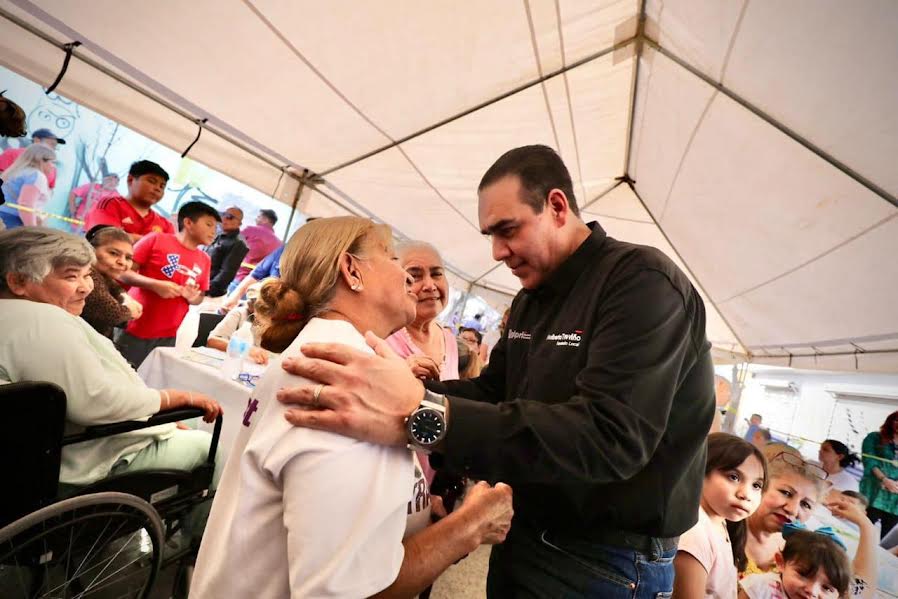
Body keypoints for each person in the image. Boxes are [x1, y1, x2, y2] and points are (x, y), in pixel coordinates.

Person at [275, 144, 716, 596]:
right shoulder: (532, 298)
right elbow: (494, 391)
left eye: (508, 230)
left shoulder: (642, 283)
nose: (497, 252)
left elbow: (611, 436)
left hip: (607, 560)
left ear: (557, 207)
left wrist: (423, 413)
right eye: (489, 234)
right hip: (523, 529)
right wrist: (395, 388)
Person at [190, 217, 514, 598]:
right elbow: (346, 592)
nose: (408, 278)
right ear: (352, 270)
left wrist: (420, 510)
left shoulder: (329, 354)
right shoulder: (345, 379)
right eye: (393, 258)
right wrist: (470, 525)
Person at [0, 227, 222, 491]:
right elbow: (95, 399)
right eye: (71, 277)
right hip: (82, 460)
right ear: (18, 282)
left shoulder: (19, 313)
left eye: (87, 275)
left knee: (191, 421)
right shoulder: (42, 319)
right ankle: (198, 532)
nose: (86, 288)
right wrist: (173, 398)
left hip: (50, 445)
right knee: (207, 444)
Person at [384, 240, 459, 485]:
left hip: (433, 479)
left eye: (437, 274)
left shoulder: (449, 339)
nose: (430, 285)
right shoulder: (382, 335)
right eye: (415, 276)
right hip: (391, 477)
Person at [115, 201, 218, 367]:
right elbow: (122, 272)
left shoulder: (205, 259)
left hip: (169, 335)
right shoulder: (155, 239)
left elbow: (200, 297)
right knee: (118, 374)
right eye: (209, 224)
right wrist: (154, 285)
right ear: (188, 223)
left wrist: (193, 297)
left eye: (216, 227)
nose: (214, 231)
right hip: (135, 327)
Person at [673, 433, 768, 599]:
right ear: (700, 471)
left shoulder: (719, 522)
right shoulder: (695, 532)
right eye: (733, 477)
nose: (745, 494)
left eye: (756, 485)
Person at [738, 527, 851, 599]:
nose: (812, 591)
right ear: (781, 562)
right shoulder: (760, 587)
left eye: (827, 588)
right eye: (803, 574)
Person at [83, 160, 174, 241]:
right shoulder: (110, 205)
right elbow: (106, 238)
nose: (157, 188)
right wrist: (154, 243)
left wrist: (130, 237)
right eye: (151, 181)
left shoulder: (166, 225)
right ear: (130, 180)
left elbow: (168, 252)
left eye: (162, 186)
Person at [81, 225, 142, 338]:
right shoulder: (87, 275)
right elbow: (113, 314)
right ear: (91, 250)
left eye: (128, 258)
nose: (122, 262)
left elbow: (116, 288)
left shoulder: (103, 276)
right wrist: (130, 310)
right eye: (113, 253)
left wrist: (126, 299)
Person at [206, 280, 269, 365]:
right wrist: (246, 349)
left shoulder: (275, 322)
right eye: (251, 301)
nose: (249, 304)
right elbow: (212, 341)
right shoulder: (239, 313)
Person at [859, 411, 898, 538]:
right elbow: (869, 460)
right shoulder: (874, 437)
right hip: (873, 491)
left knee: (886, 541)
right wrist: (884, 479)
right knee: (860, 532)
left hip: (895, 501)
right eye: (896, 420)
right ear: (891, 421)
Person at [0, 144, 56, 228]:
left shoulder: (17, 171)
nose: (53, 166)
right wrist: (32, 230)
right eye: (52, 162)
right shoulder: (36, 175)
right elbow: (26, 206)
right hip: (12, 222)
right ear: (41, 160)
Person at [230, 207, 282, 290]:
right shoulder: (279, 244)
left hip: (239, 277)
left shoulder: (250, 230)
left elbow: (231, 243)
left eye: (258, 217)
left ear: (265, 219)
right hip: (257, 286)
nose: (256, 219)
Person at [205, 205, 249, 297]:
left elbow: (227, 273)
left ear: (239, 223)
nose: (224, 218)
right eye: (223, 214)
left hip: (210, 294)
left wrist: (206, 290)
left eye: (230, 217)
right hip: (199, 285)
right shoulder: (219, 235)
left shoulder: (239, 244)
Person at [0, 127, 64, 189]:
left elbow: (49, 190)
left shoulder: (52, 168)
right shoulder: (11, 153)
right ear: (37, 140)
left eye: (55, 145)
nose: (54, 147)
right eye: (51, 143)